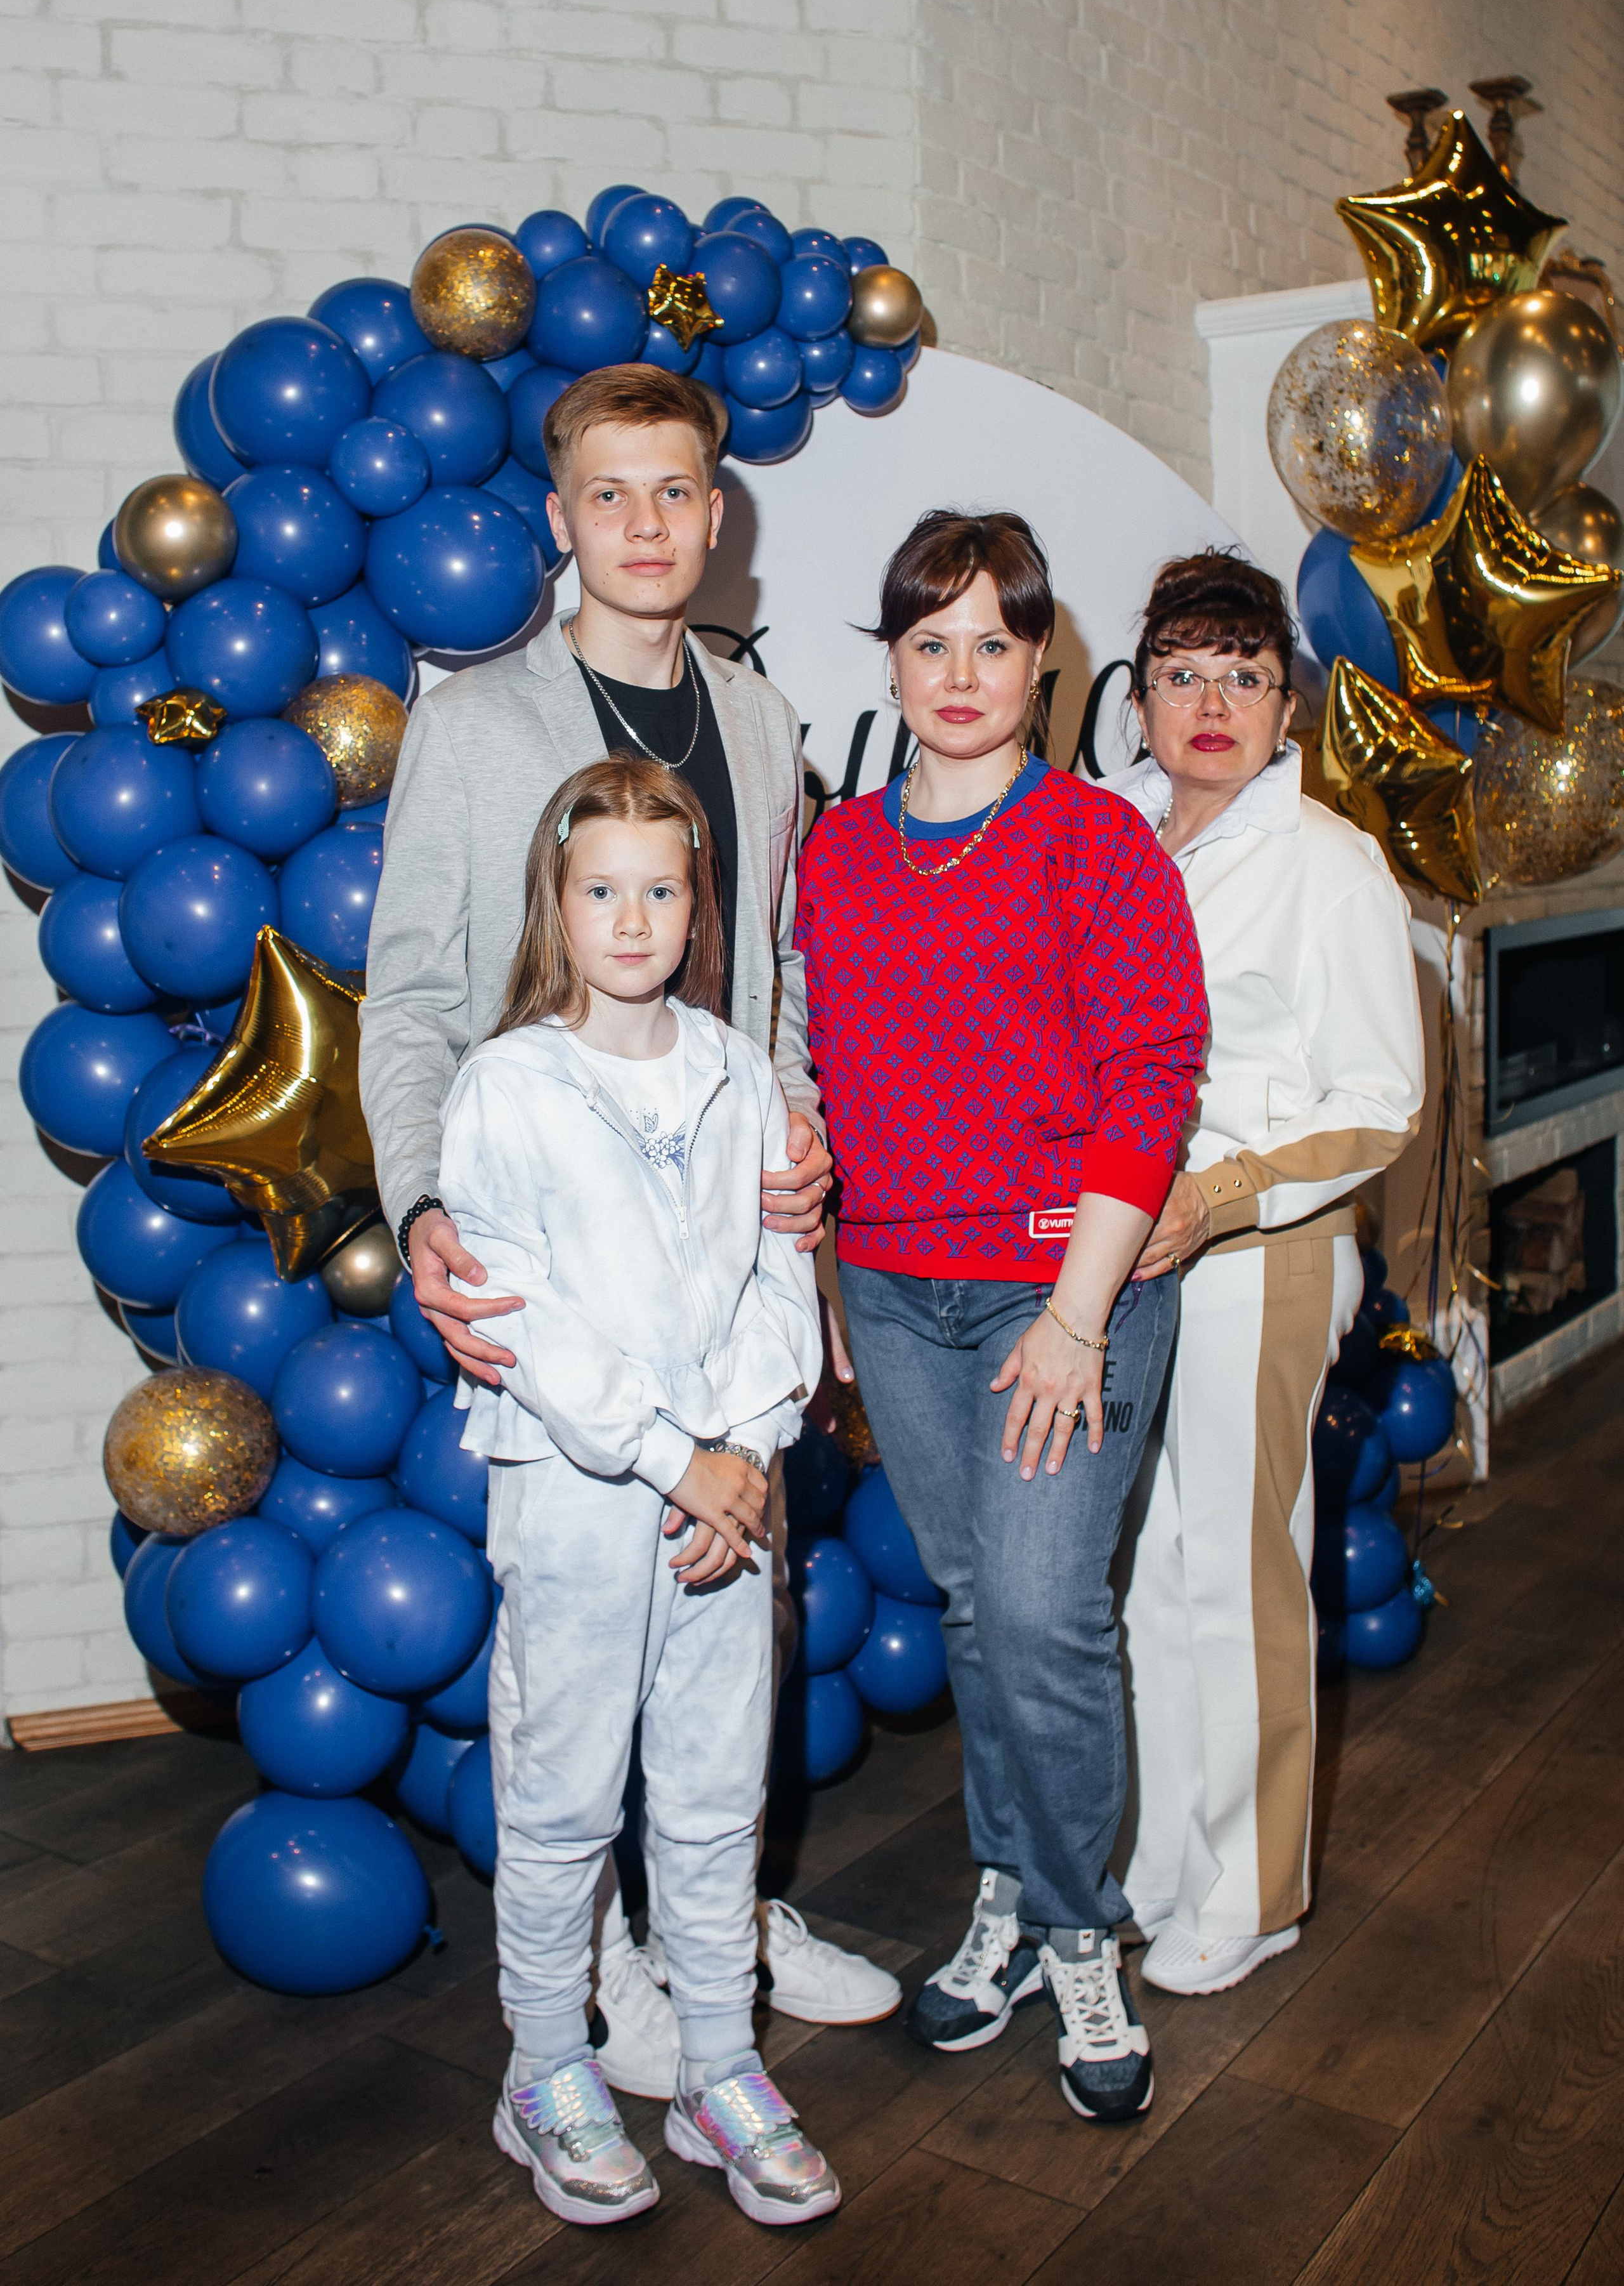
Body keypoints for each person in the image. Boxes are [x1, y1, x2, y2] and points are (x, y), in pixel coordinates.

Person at [358, 365, 899, 2094]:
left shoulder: (756, 715)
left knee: (731, 1593)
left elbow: (783, 971)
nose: (649, 525)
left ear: (716, 514)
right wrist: (426, 1198)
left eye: (679, 493)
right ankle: (592, 1970)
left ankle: (711, 1927)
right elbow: (413, 992)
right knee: (580, 1648)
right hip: (554, 1253)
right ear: (560, 519)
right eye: (613, 495)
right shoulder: (475, 720)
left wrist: (799, 1132)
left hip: (725, 1243)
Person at [795, 510, 1208, 2125]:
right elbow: (816, 1084)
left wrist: (1075, 1317)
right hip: (895, 1295)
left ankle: (1076, 1925)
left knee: (1042, 1616)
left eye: (992, 641)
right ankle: (1012, 1893)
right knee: (976, 1609)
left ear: (1044, 662)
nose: (959, 674)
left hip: (1063, 1285)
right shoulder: (834, 853)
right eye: (927, 642)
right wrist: (822, 1284)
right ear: (890, 664)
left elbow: (1147, 1085)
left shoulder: (1101, 843)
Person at [439, 754, 838, 2228]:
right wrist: (679, 1460)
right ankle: (545, 2067)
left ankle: (721, 2066)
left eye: (659, 890)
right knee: (560, 1794)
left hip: (729, 1499)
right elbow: (523, 1313)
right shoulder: (507, 1085)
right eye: (600, 889)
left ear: (695, 904)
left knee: (715, 1785)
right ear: (557, 901)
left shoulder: (738, 1070)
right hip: (581, 1494)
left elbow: (772, 1276)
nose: (630, 917)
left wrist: (742, 1451)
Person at [1104, 550, 1424, 1996]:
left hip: (1260, 1256)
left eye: (1243, 673)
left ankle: (1253, 1888)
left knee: (1236, 1576)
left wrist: (1216, 1194)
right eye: (1183, 672)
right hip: (1115, 1259)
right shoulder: (1108, 839)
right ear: (1140, 694)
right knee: (1146, 1580)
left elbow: (1377, 1099)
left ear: (1284, 702)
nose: (1212, 702)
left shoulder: (1326, 863)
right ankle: (1168, 1858)